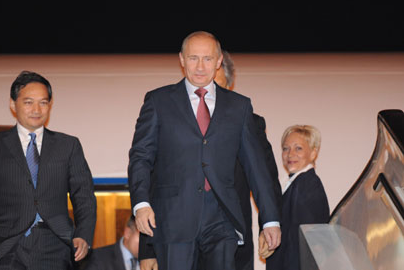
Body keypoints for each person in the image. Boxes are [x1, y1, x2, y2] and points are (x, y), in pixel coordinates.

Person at [128, 31, 282, 270]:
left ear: (219, 61)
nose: (200, 66)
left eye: (208, 59)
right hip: (174, 218)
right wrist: (141, 204)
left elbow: (257, 169)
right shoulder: (158, 101)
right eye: (193, 58)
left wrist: (270, 220)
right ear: (181, 59)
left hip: (223, 217)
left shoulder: (239, 106)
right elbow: (141, 157)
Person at [0, 70, 97, 270]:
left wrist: (83, 235)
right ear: (12, 104)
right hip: (5, 246)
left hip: (55, 244)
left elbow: (84, 196)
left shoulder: (68, 145)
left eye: (43, 102)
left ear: (50, 105)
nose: (36, 109)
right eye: (28, 102)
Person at [258, 125, 330, 270]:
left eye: (298, 148)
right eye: (285, 148)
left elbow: (301, 243)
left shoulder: (307, 184)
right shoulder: (292, 183)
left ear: (313, 153)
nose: (290, 154)